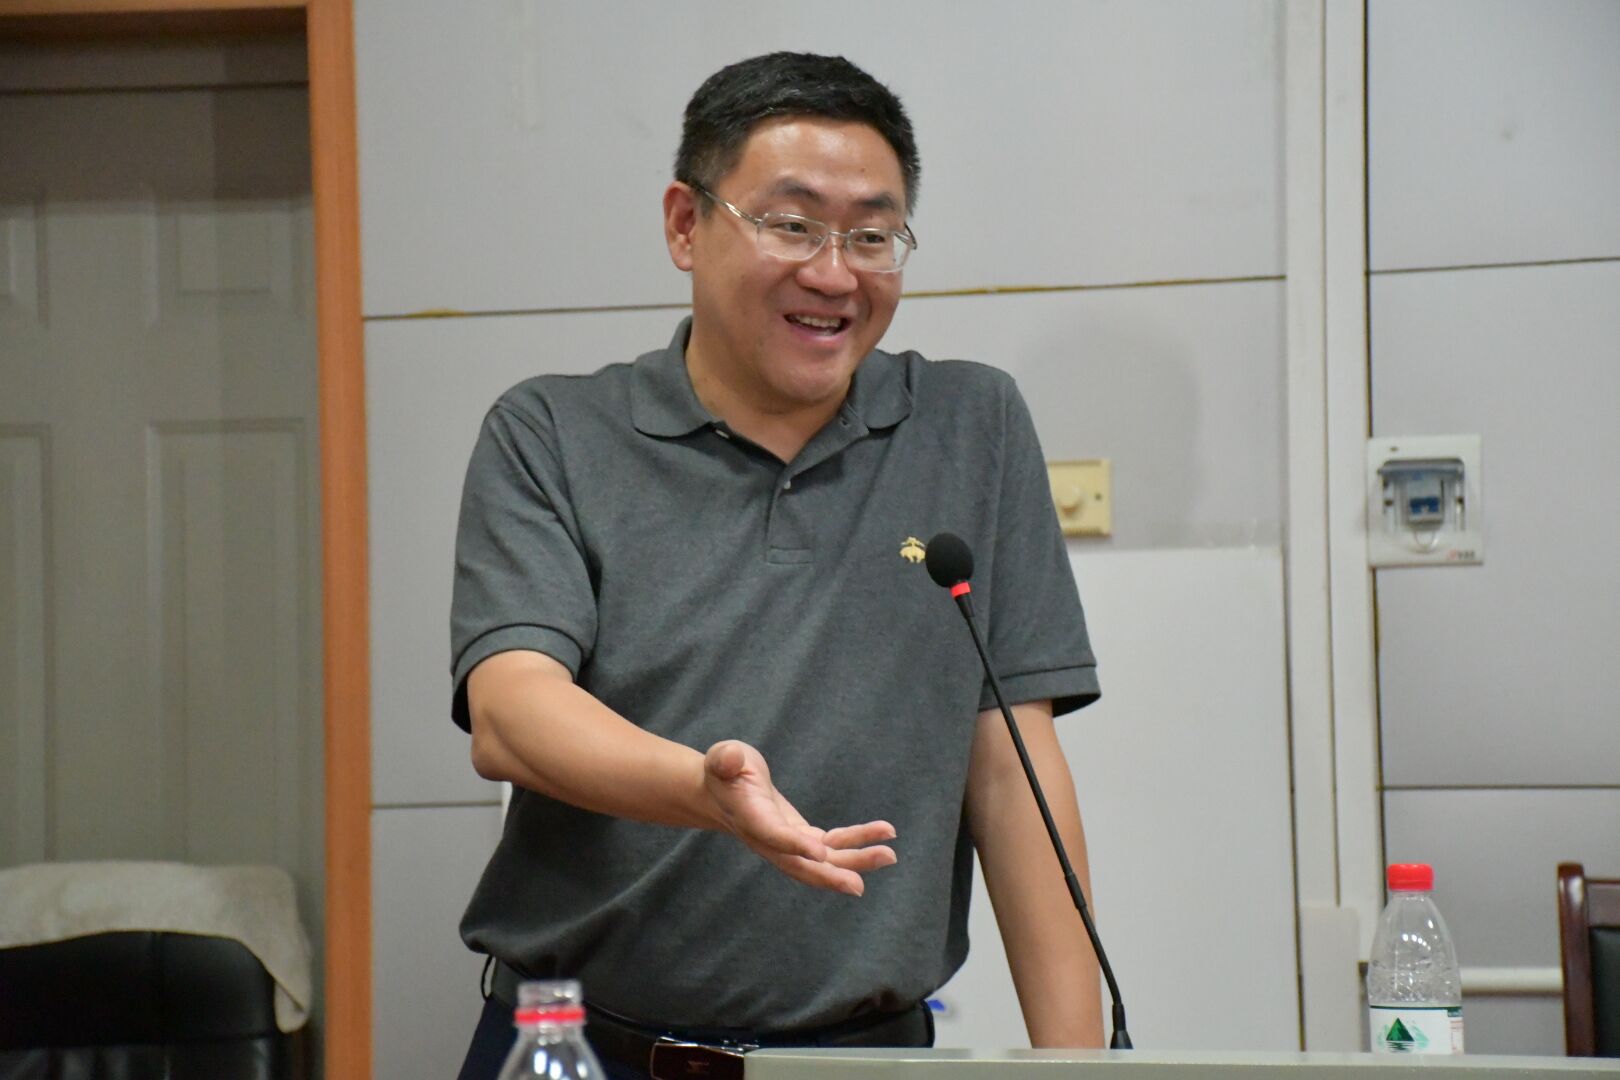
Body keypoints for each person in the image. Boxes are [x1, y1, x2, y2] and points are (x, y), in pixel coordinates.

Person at [449, 51, 1103, 1080]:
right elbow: (510, 712)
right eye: (792, 224)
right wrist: (702, 791)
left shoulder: (972, 427)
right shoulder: (552, 433)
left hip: (867, 1058)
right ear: (685, 224)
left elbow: (1011, 770)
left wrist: (1080, 1068)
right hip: (579, 1048)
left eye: (872, 235)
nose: (834, 274)